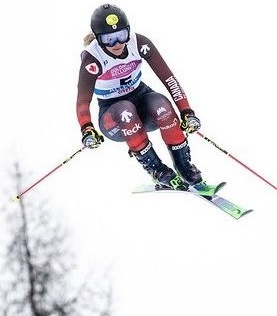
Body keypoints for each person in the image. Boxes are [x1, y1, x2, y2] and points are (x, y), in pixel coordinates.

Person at [76, 3, 206, 190]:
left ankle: (184, 167)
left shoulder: (138, 43)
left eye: (121, 35)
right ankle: (157, 170)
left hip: (141, 99)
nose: (117, 44)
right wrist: (87, 129)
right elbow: (82, 102)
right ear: (98, 39)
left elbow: (169, 79)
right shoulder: (92, 58)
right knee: (125, 112)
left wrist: (186, 111)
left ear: (128, 31)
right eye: (108, 39)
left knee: (161, 104)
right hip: (112, 116)